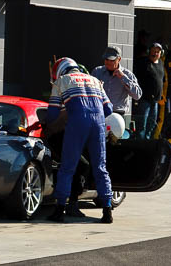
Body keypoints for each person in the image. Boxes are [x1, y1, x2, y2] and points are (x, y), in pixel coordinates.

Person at [46, 57, 114, 223]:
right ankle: (107, 211)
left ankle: (60, 210)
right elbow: (109, 109)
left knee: (68, 167)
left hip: (77, 123)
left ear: (60, 71)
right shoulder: (95, 80)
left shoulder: (61, 81)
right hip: (98, 123)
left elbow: (52, 115)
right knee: (100, 167)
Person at [92, 46, 142, 115]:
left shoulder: (127, 74)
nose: (108, 62)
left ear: (119, 59)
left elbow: (137, 95)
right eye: (106, 59)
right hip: (100, 111)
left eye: (112, 60)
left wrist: (123, 77)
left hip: (118, 114)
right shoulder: (97, 72)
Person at [133, 43, 165, 139]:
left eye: (157, 52)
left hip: (155, 101)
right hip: (144, 99)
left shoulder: (160, 63)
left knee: (151, 125)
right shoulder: (143, 63)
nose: (155, 54)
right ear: (149, 51)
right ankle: (141, 145)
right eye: (153, 51)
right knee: (141, 125)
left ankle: (147, 144)